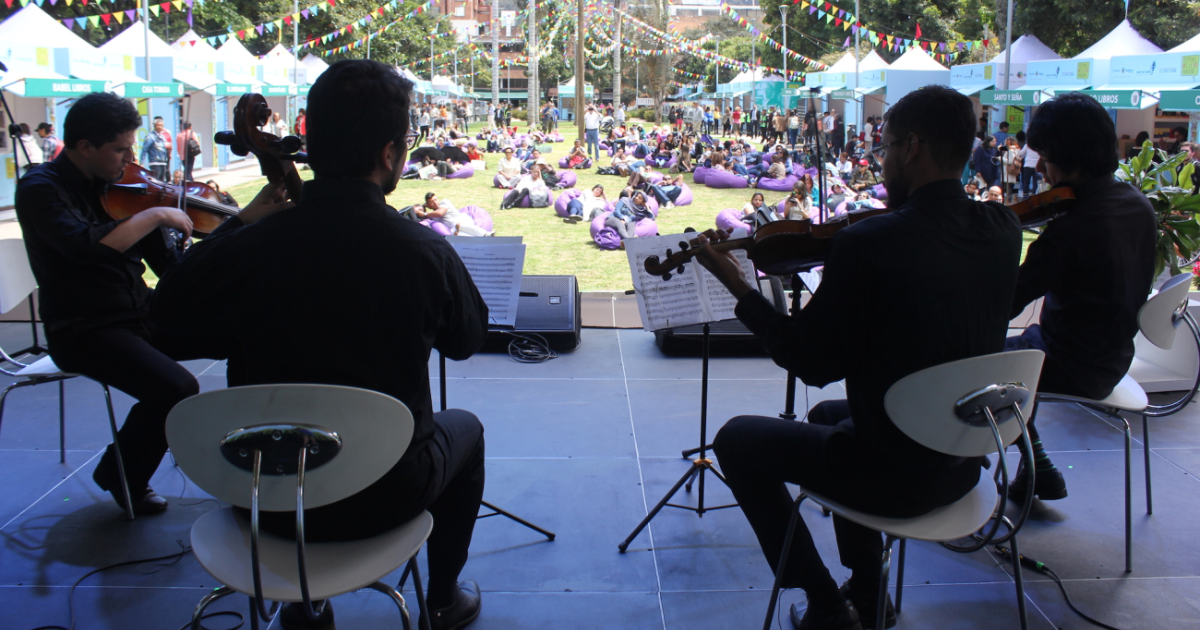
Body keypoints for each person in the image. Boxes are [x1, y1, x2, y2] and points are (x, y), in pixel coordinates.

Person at [153, 61, 489, 630]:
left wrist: (243, 226)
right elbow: (466, 341)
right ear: (389, 154)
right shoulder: (422, 253)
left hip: (262, 496)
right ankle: (442, 598)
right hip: (384, 496)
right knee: (468, 430)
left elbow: (166, 321)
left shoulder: (248, 251)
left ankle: (304, 606)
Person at [690, 85, 1021, 630]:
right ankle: (868, 595)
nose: (880, 159)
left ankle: (826, 606)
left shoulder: (872, 243)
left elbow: (811, 364)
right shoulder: (1003, 229)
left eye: (886, 147)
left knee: (737, 439)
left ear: (913, 147)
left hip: (898, 477)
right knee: (825, 419)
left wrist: (740, 288)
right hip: (964, 459)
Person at [15, 92, 257, 517]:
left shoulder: (128, 190)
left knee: (245, 336)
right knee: (176, 388)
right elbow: (84, 248)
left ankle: (250, 452)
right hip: (85, 328)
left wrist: (234, 228)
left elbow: (171, 270)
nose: (129, 158)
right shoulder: (41, 189)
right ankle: (121, 473)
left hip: (141, 314)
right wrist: (153, 217)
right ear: (85, 147)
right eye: (120, 149)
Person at [1005, 93, 1157, 503]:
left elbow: (1006, 303)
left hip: (1070, 363)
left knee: (972, 356)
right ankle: (1035, 468)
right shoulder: (1136, 204)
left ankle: (959, 475)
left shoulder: (1073, 229)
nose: (1042, 168)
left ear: (1070, 159)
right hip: (1113, 355)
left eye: (1047, 158)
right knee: (1019, 348)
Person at [139, 117, 171, 182]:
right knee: (156, 181)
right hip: (155, 162)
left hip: (163, 162)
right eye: (158, 125)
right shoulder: (150, 136)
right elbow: (145, 149)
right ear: (154, 126)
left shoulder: (162, 137)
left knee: (162, 182)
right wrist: (141, 162)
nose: (159, 127)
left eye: (161, 125)